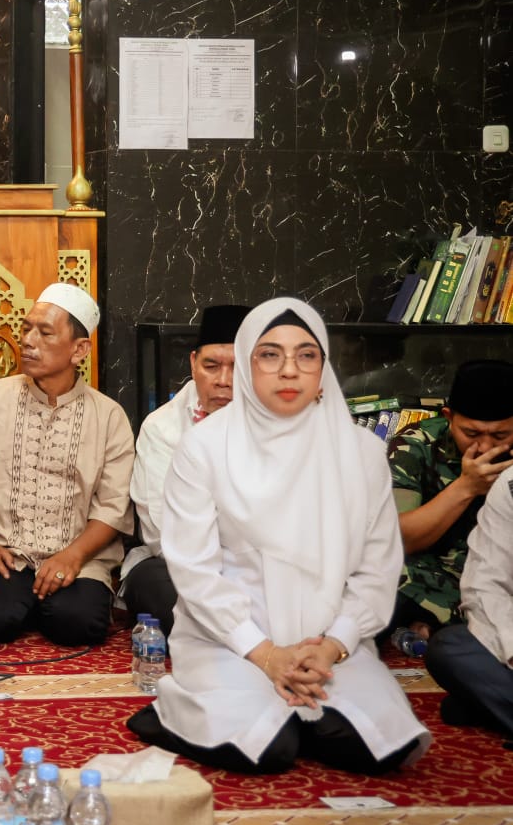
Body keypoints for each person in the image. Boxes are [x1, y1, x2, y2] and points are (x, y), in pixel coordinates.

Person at [128, 298, 431, 775]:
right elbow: (193, 569)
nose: (289, 370)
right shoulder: (204, 448)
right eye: (270, 355)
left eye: (306, 355)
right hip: (230, 639)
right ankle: (180, 711)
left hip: (326, 643)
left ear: (323, 368)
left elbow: (378, 569)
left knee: (383, 749)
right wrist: (266, 653)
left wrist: (332, 646)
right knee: (267, 750)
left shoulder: (362, 453)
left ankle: (299, 705)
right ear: (248, 365)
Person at [0, 283, 134, 646]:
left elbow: (112, 507)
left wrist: (73, 556)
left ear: (79, 349)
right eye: (26, 329)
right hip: (3, 553)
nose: (28, 341)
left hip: (79, 557)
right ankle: (20, 601)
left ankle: (40, 603)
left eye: (45, 332)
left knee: (78, 625)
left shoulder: (109, 417)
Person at [119, 304, 249, 637]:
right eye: (211, 366)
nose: (223, 381)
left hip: (259, 567)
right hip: (181, 566)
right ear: (193, 363)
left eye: (237, 368)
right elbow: (162, 532)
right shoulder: (162, 428)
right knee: (157, 588)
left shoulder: (277, 423)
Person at [387, 359, 513, 641]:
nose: (485, 446)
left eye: (500, 435)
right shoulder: (415, 445)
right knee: (378, 567)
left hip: (503, 576)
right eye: (471, 433)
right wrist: (466, 487)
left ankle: (434, 625)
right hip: (437, 575)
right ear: (448, 417)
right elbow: (398, 539)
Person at [425, 472, 513, 739]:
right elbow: (485, 585)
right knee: (451, 647)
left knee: (461, 706)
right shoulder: (510, 484)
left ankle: (488, 703)